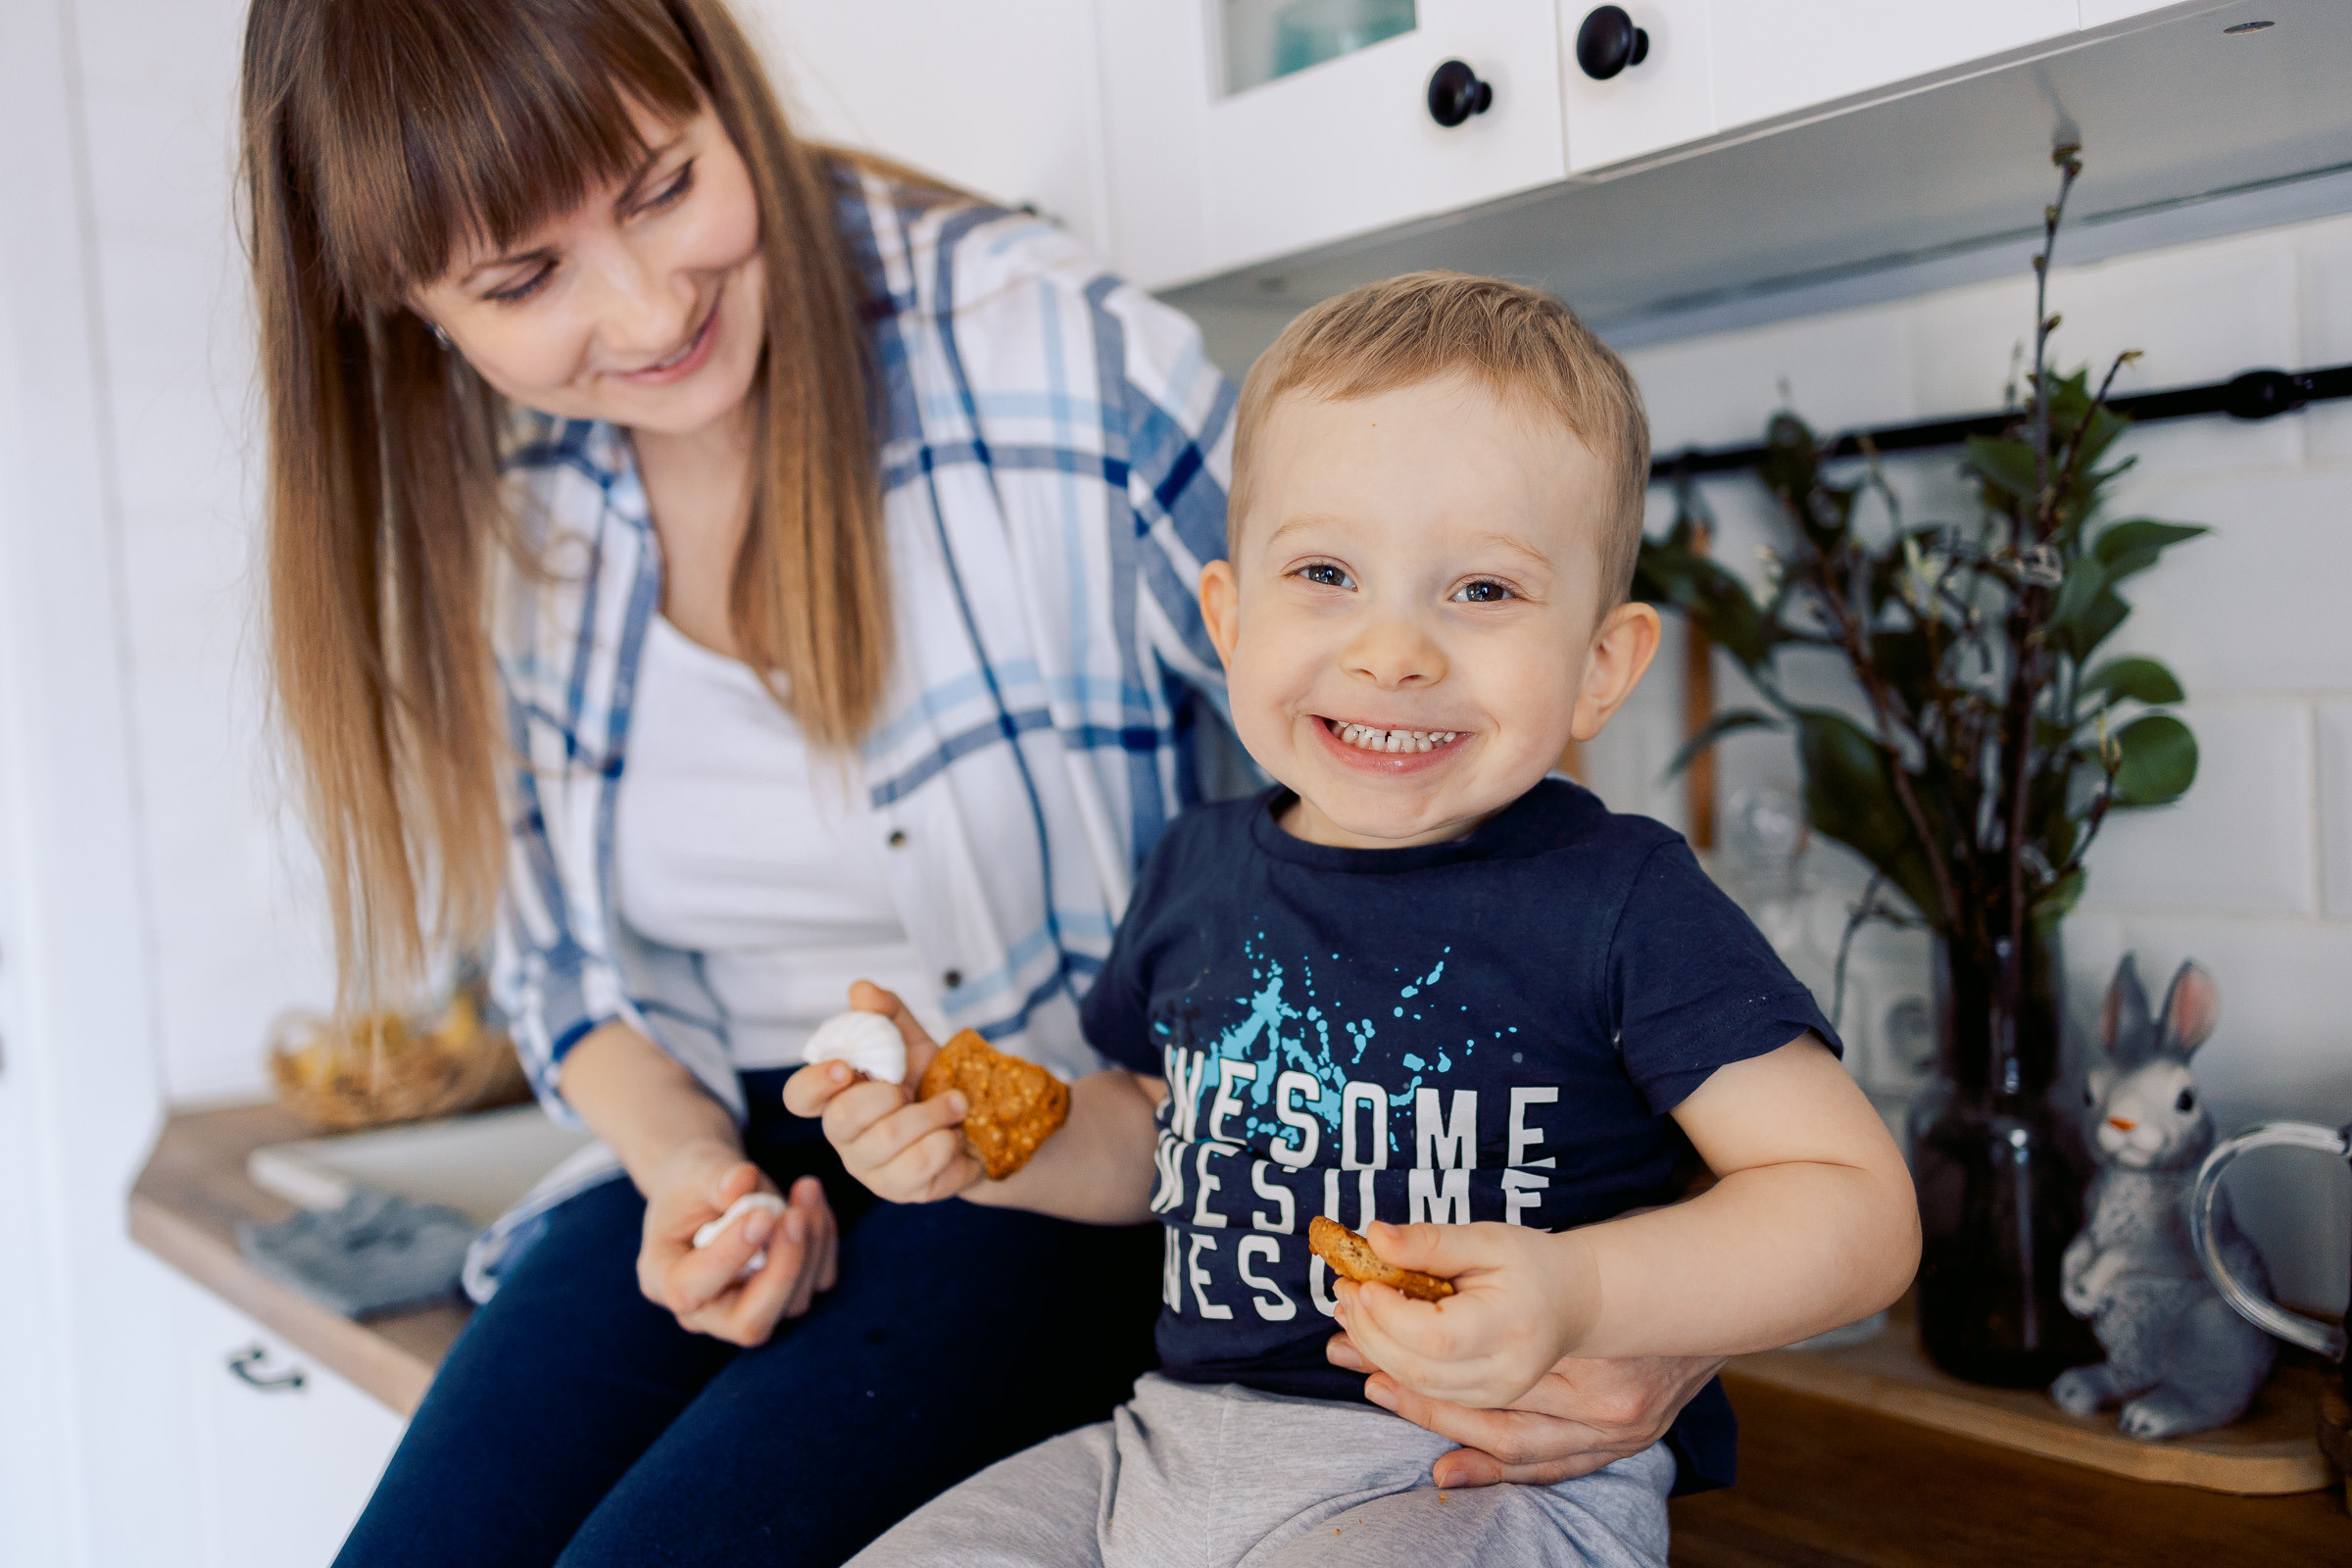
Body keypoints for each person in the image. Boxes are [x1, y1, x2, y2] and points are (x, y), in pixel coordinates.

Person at [239, 0, 1731, 1558]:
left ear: (723, 89)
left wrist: (1657, 1296)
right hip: (737, 1142)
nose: (639, 305)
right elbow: (560, 969)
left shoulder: (1038, 345)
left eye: (664, 184)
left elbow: (1437, 763)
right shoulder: (504, 497)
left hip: (1067, 1166)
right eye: (522, 279)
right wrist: (687, 1168)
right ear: (399, 304)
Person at [794, 272, 1922, 1567]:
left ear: (1601, 667)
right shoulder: (1196, 870)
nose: (1394, 651)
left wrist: (1583, 1292)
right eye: (1326, 572)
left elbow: (1855, 1210)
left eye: (1482, 592)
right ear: (1229, 619)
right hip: (1159, 1458)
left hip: (1474, 1483)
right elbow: (1162, 1131)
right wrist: (984, 1136)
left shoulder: (1625, 901)